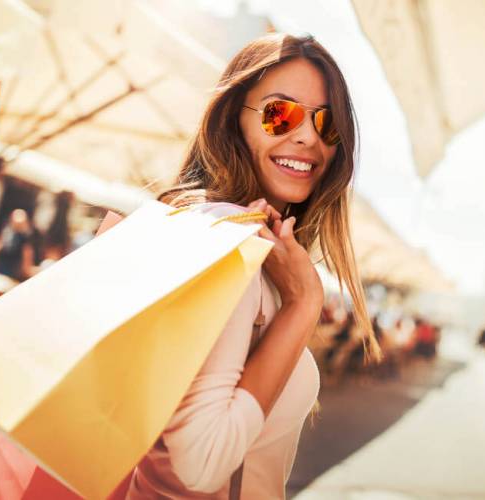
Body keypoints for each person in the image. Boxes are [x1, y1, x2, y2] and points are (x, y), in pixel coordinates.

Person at [127, 34, 381, 499]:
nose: (307, 137)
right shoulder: (224, 238)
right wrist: (303, 305)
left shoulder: (249, 248)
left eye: (326, 124)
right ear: (232, 121)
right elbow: (199, 465)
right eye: (279, 113)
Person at [0, 209, 37, 282]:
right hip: (0, 268)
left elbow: (27, 255)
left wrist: (25, 269)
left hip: (12, 272)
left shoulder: (24, 238)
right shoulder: (7, 232)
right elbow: (0, 245)